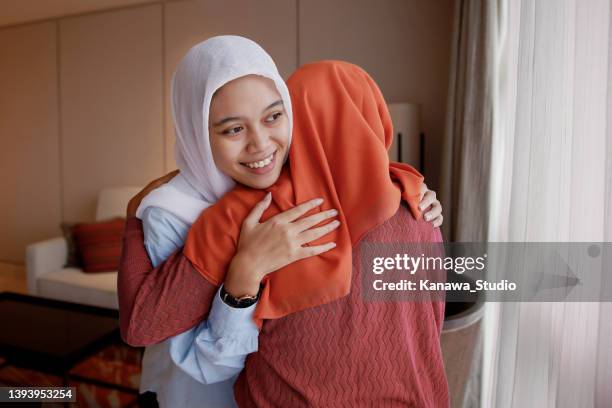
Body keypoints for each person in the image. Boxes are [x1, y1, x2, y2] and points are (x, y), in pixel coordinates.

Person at [120, 58, 447, 406]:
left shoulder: (250, 215)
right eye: (234, 128)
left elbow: (142, 325)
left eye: (273, 117)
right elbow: (432, 325)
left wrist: (131, 216)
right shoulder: (418, 208)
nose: (260, 143)